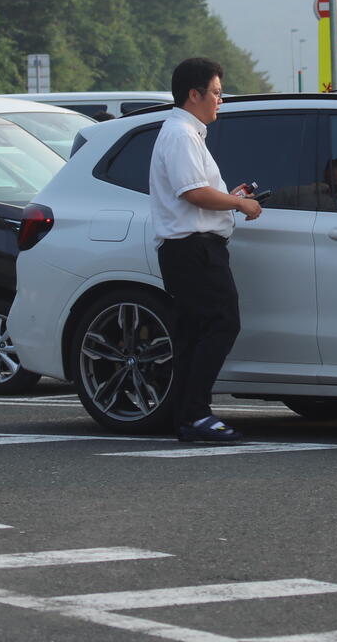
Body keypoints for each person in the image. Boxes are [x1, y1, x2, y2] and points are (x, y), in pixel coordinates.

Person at [150, 57, 263, 444]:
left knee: (194, 333)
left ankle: (186, 415)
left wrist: (228, 198)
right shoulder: (181, 134)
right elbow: (193, 193)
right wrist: (240, 204)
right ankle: (196, 413)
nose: (220, 100)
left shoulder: (185, 133)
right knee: (221, 324)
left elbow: (196, 192)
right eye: (216, 92)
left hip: (189, 248)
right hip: (194, 249)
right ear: (194, 94)